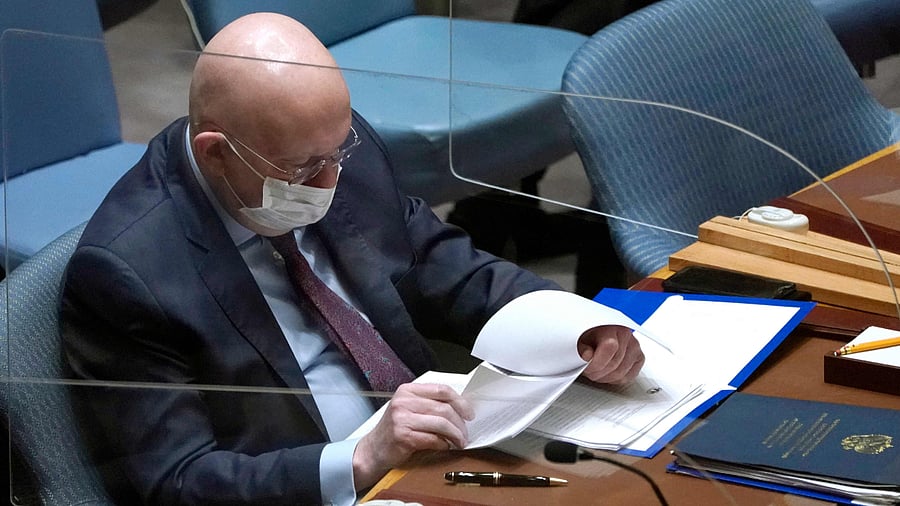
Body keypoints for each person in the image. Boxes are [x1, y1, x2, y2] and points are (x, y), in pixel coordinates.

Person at [59, 12, 645, 506]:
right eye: (302, 171)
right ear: (216, 153)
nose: (332, 180)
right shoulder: (126, 274)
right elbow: (173, 483)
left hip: (436, 453)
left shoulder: (323, 142)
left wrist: (570, 323)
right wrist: (361, 459)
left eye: (338, 152)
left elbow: (437, 261)